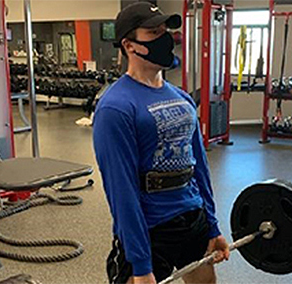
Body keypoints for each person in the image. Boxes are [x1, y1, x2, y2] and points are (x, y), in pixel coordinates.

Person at [93, 3, 229, 284]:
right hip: (151, 228)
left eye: (165, 31)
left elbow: (199, 168)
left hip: (193, 219)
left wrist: (212, 227)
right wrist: (141, 266)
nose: (165, 39)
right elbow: (122, 191)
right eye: (154, 32)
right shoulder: (115, 107)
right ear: (130, 45)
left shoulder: (182, 99)